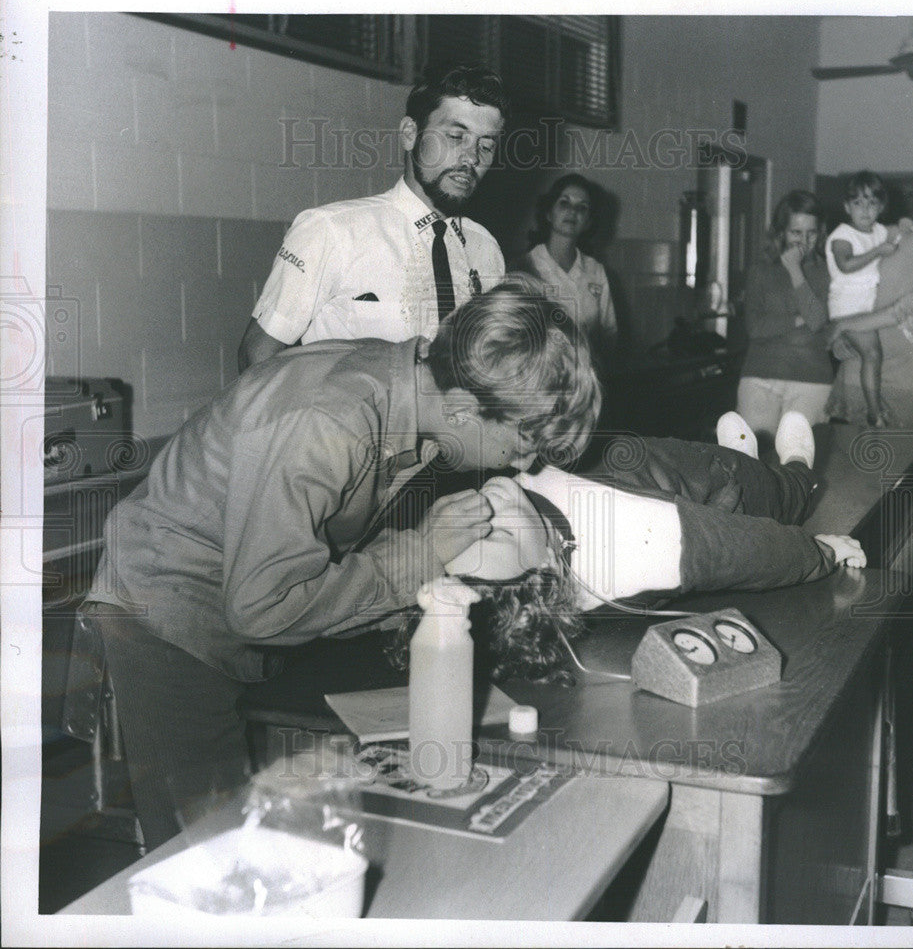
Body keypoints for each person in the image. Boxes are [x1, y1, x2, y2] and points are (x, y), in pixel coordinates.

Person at [81, 280, 601, 850]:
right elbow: (262, 609)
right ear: (463, 408)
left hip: (230, 608)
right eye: (522, 441)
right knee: (209, 851)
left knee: (276, 823)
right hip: (165, 614)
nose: (523, 465)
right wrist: (422, 553)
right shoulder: (330, 419)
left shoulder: (407, 391)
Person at [390, 410, 865, 684]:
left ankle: (740, 456)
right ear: (545, 574)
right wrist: (820, 553)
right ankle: (799, 470)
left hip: (664, 470)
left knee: (722, 466)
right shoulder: (637, 548)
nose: (484, 508)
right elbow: (750, 552)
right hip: (706, 494)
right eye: (498, 532)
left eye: (458, 522)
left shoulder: (523, 514)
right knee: (776, 494)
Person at [237, 63, 509, 371]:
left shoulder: (485, 249)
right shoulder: (332, 230)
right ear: (410, 134)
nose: (471, 157)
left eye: (485, 146)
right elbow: (256, 357)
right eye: (456, 136)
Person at [826, 159, 913, 428]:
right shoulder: (894, 234)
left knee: (897, 466)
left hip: (906, 378)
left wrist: (843, 326)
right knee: (843, 465)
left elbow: (905, 309)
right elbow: (845, 275)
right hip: (859, 367)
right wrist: (845, 330)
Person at [737, 190, 834, 443]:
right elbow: (755, 328)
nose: (804, 241)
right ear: (781, 232)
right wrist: (796, 319)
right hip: (759, 376)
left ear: (820, 233)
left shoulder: (826, 270)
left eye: (811, 233)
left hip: (812, 379)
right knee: (752, 460)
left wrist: (794, 270)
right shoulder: (760, 270)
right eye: (796, 233)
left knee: (797, 462)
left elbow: (815, 321)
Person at [825, 171, 913, 427]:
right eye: (858, 203)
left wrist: (905, 224)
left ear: (881, 207)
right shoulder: (842, 235)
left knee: (870, 355)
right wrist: (877, 251)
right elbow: (845, 265)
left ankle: (872, 410)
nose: (865, 210)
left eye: (872, 203)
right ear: (846, 207)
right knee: (872, 355)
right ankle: (875, 414)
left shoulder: (877, 230)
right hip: (847, 309)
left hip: (865, 307)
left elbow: (897, 229)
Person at [522, 173, 618, 367]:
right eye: (564, 203)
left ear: (588, 221)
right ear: (549, 213)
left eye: (582, 208)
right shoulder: (526, 267)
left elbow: (609, 335)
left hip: (588, 382)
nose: (573, 212)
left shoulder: (595, 270)